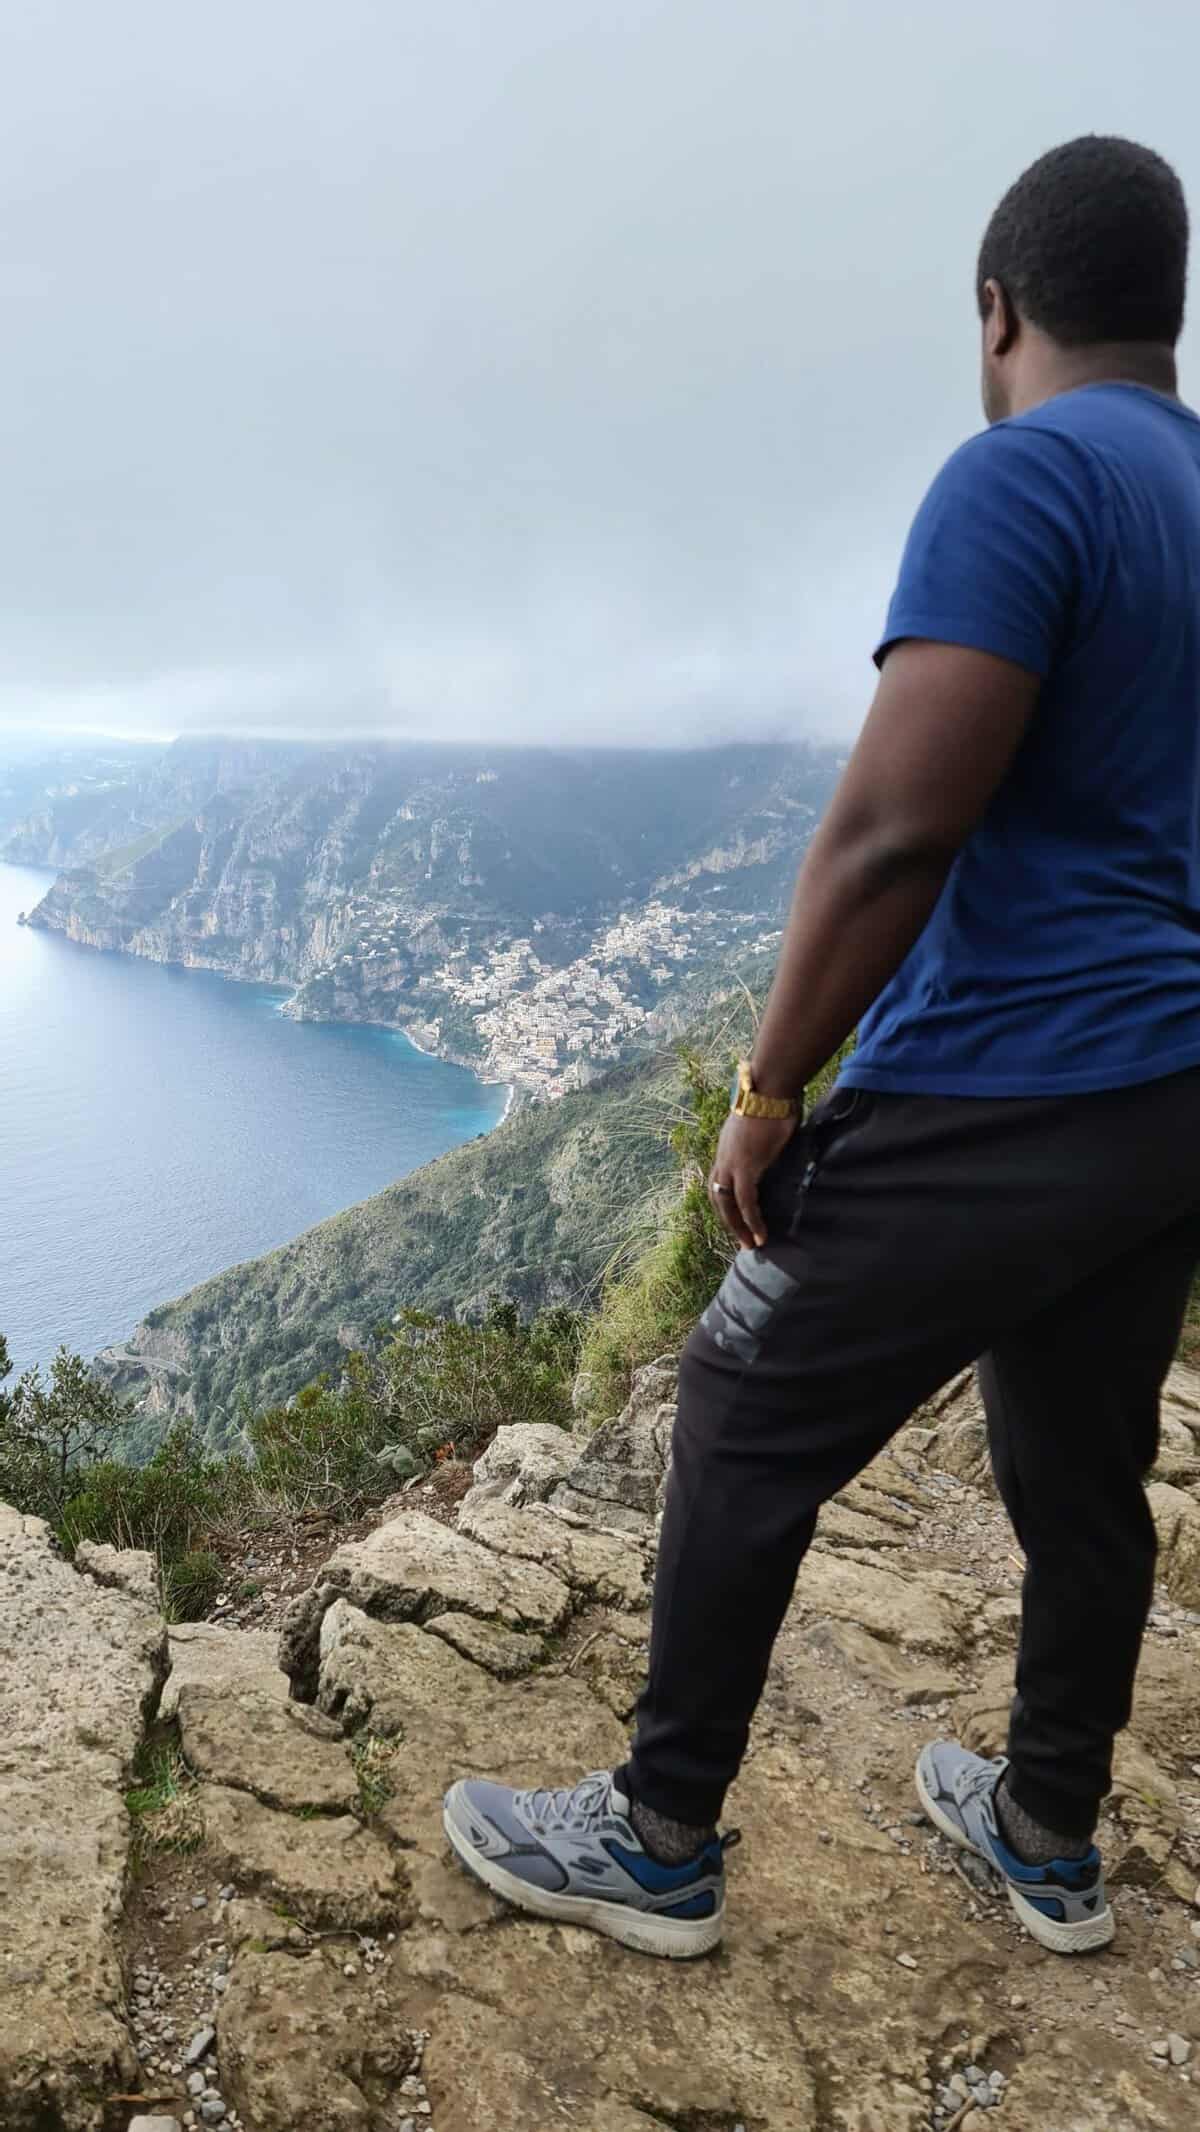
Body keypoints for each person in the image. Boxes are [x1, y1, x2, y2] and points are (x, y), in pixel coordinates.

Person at [444, 134, 1200, 1961]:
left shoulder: (1020, 481)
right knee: (1081, 1468)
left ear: (997, 309)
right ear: (1169, 316)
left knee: (740, 1404)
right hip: (1172, 1098)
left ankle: (658, 1839)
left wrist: (770, 1091)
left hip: (1004, 1079)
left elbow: (887, 834)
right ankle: (1045, 1829)